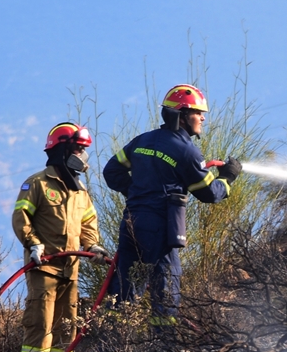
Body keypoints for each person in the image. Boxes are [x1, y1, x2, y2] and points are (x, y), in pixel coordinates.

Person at [100, 84, 242, 328]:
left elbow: (112, 171)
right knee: (167, 279)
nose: (203, 118)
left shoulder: (142, 140)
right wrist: (228, 177)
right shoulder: (187, 151)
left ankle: (112, 341)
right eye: (198, 113)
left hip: (131, 221)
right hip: (160, 226)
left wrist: (136, 191)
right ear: (183, 116)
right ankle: (163, 344)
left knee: (126, 280)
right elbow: (209, 194)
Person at [11, 122, 105, 352]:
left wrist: (93, 246)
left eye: (83, 150)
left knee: (67, 322)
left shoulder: (79, 191)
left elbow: (88, 223)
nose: (81, 157)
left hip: (70, 269)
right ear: (62, 150)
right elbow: (21, 218)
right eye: (77, 150)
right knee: (40, 320)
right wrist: (33, 244)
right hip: (45, 267)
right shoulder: (37, 183)